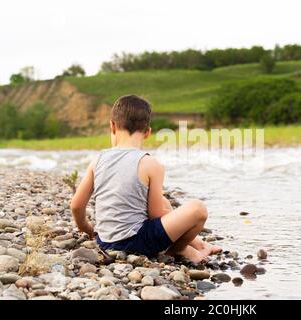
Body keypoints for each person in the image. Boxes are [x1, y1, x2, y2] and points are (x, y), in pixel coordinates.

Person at [70, 95, 221, 263]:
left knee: (164, 202)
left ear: (112, 126)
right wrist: (181, 223)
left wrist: (87, 228)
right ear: (148, 132)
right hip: (137, 242)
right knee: (197, 209)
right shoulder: (151, 164)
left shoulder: (98, 159)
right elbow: (155, 214)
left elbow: (76, 205)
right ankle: (179, 250)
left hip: (104, 241)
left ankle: (199, 245)